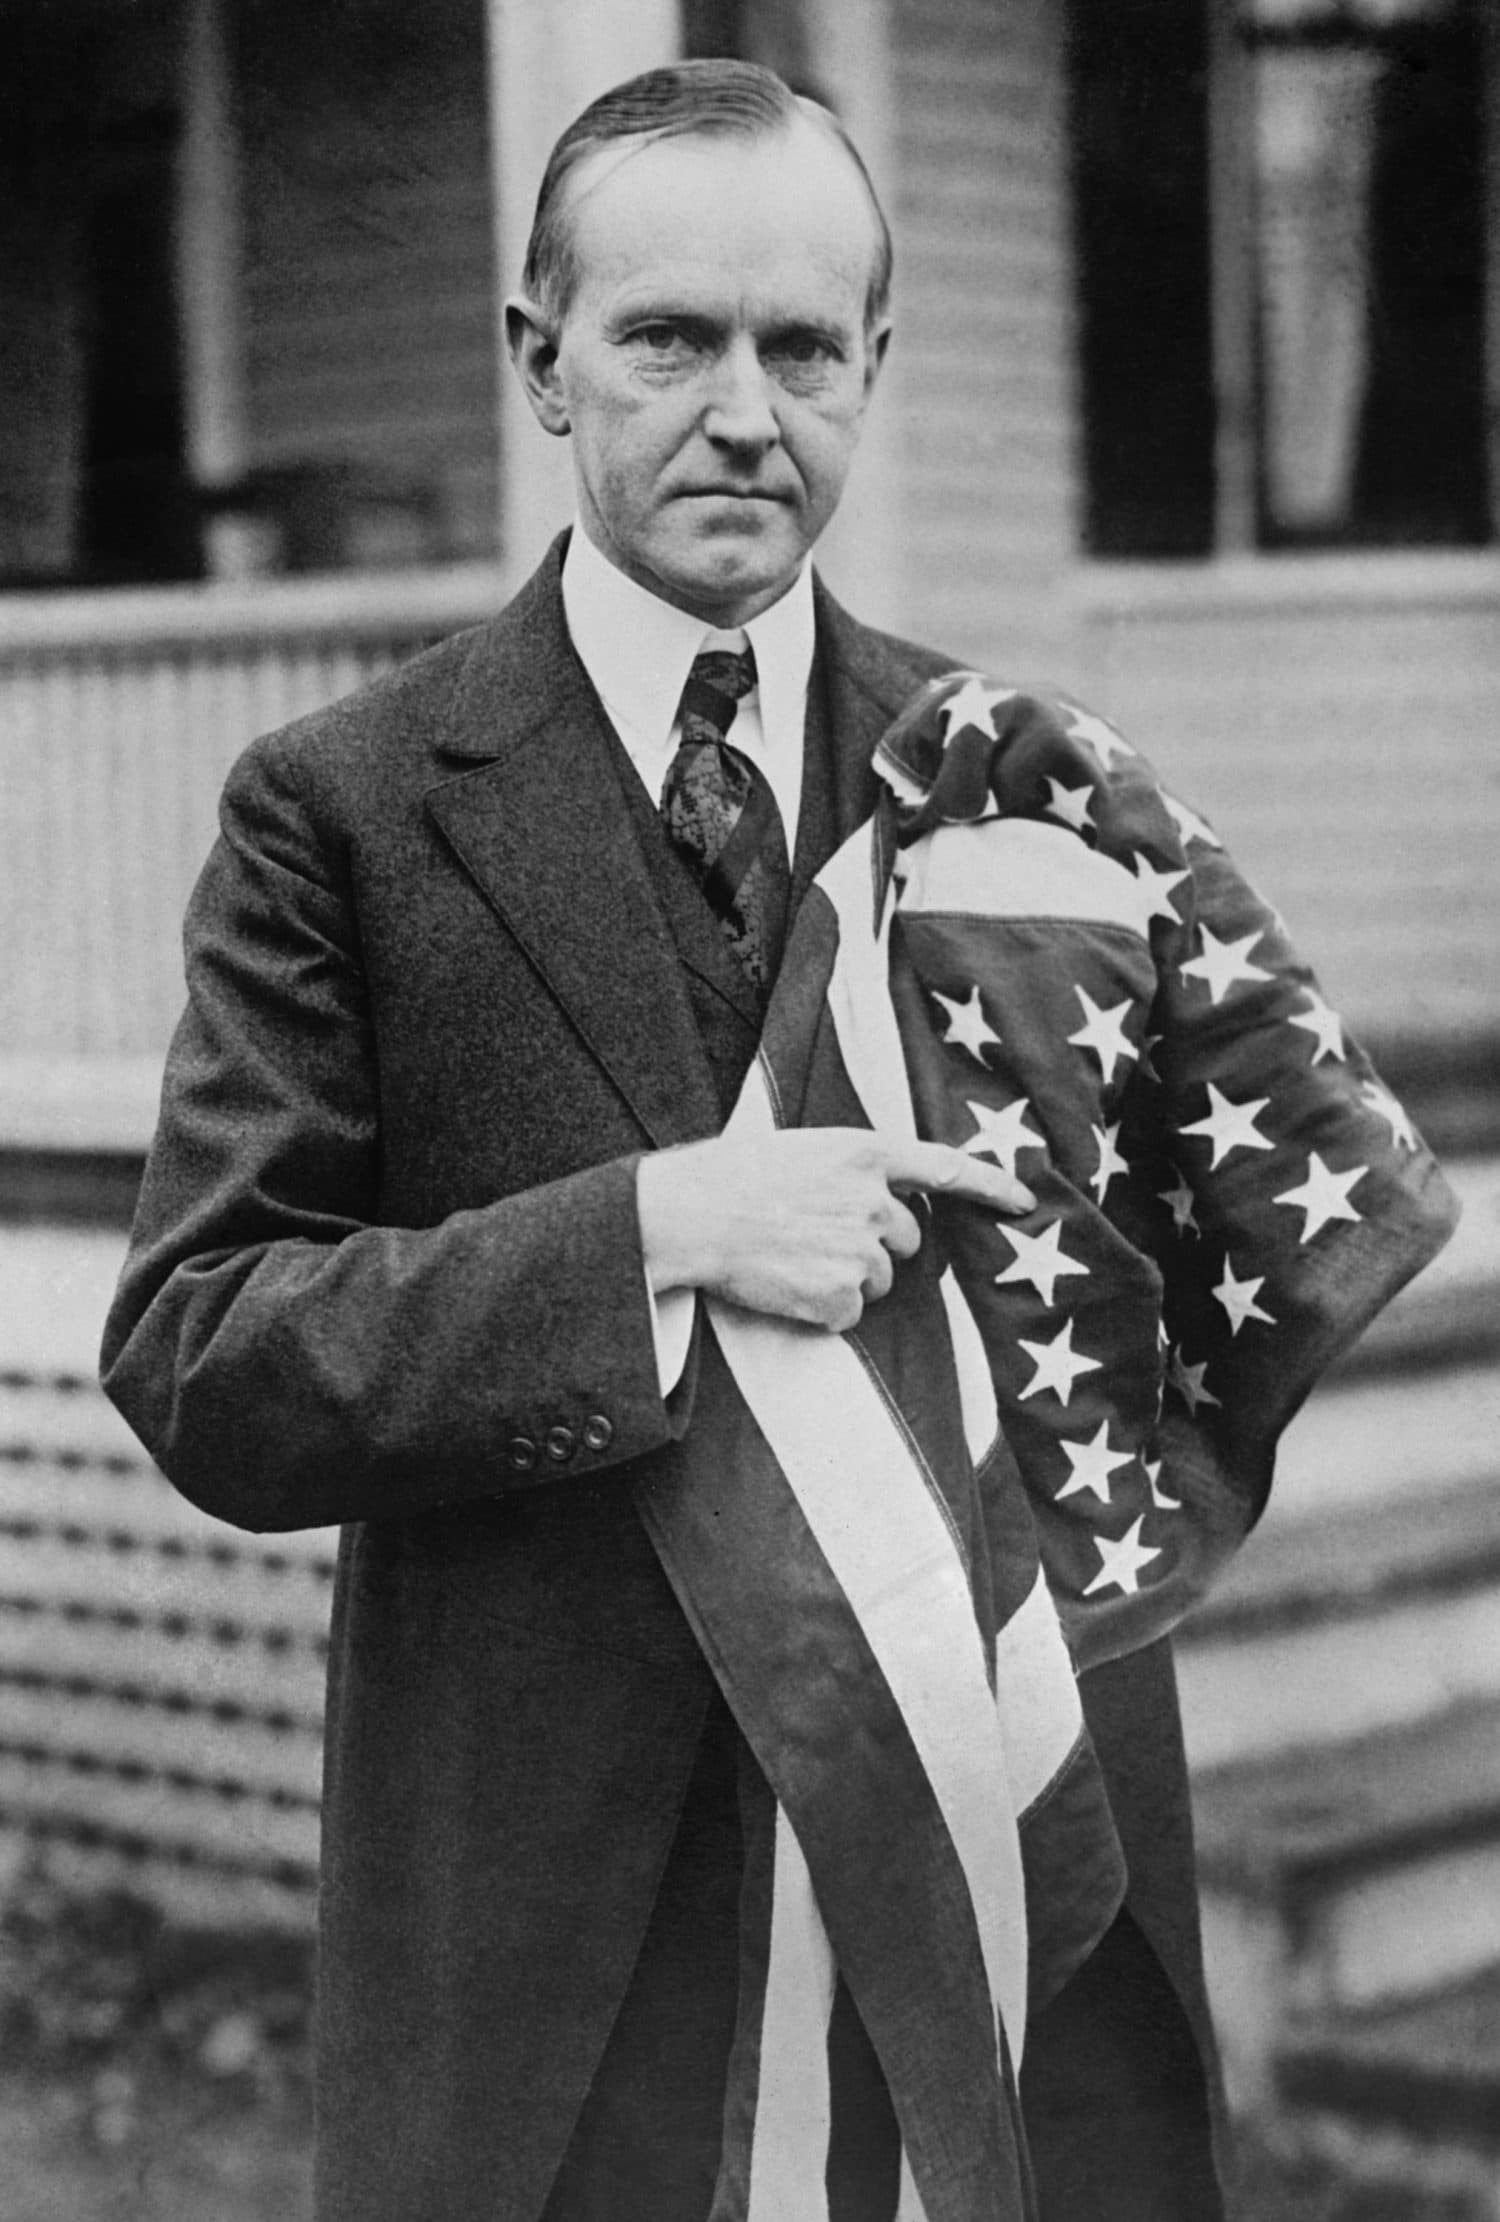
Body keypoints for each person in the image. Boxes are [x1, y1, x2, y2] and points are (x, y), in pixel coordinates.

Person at [100, 60, 1455, 2222]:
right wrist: (656, 1230)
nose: (746, 408)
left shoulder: (1015, 789)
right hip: (573, 1925)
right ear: (542, 363)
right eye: (669, 339)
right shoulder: (346, 804)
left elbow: (1168, 1293)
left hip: (992, 1847)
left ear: (876, 372)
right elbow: (203, 1350)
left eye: (804, 347)